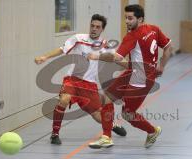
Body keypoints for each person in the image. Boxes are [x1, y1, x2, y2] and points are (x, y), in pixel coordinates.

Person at [88, 4, 172, 148]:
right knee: (107, 98)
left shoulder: (133, 36)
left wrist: (97, 56)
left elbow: (116, 58)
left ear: (140, 19)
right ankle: (106, 137)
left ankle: (153, 131)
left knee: (128, 114)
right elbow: (168, 47)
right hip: (134, 71)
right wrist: (162, 66)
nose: (126, 21)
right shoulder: (153, 28)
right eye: (126, 18)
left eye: (130, 18)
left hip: (141, 80)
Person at [35, 14, 127, 145]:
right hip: (72, 79)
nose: (94, 29)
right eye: (92, 25)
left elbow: (117, 59)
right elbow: (62, 49)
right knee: (64, 99)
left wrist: (133, 67)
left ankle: (111, 125)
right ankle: (55, 134)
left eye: (97, 27)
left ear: (102, 29)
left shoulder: (105, 45)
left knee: (98, 116)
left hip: (89, 85)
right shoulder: (79, 38)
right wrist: (45, 56)